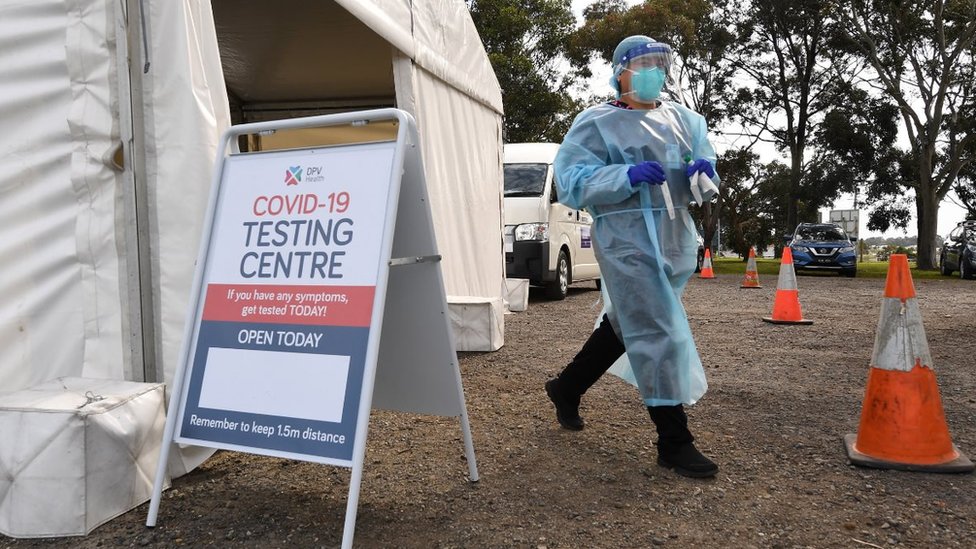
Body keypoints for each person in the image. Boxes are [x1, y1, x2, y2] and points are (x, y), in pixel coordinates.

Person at [543, 35, 720, 478]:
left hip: (674, 236)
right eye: (643, 64)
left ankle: (566, 388)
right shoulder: (596, 122)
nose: (653, 72)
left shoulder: (685, 120)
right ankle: (673, 440)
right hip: (625, 239)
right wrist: (625, 174)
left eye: (660, 64)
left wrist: (704, 169)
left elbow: (704, 158)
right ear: (620, 70)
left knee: (628, 322)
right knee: (657, 329)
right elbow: (572, 182)